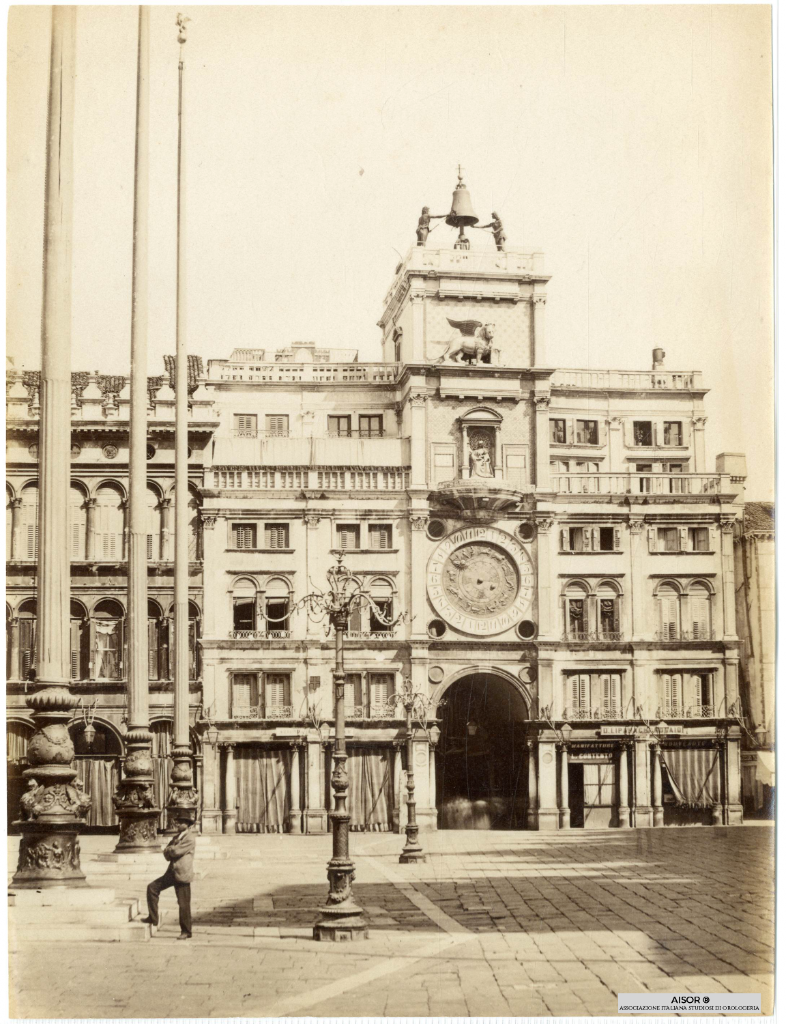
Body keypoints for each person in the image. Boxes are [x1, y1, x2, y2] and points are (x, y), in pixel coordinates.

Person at [142, 817, 195, 939]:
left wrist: (170, 850)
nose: (178, 824)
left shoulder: (190, 838)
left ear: (187, 824)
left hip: (182, 873)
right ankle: (153, 917)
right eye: (178, 821)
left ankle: (186, 931)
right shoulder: (177, 837)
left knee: (183, 904)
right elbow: (166, 852)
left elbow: (175, 852)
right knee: (152, 888)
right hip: (172, 871)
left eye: (181, 822)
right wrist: (170, 850)